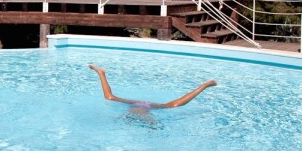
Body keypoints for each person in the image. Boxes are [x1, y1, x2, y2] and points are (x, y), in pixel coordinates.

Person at [88, 64, 216, 114]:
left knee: (109, 97)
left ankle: (101, 73)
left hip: (138, 105)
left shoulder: (139, 110)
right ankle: (101, 73)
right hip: (140, 105)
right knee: (109, 97)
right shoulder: (142, 110)